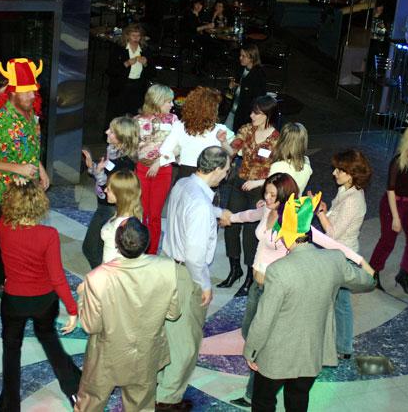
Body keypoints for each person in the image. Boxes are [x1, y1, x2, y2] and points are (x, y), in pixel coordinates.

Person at [224, 173, 368, 408]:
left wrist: (361, 262)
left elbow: (331, 243)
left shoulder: (293, 221)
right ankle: (257, 385)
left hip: (277, 286)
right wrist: (230, 217)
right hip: (256, 287)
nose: (267, 198)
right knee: (253, 335)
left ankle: (256, 390)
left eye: (273, 194)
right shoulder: (266, 209)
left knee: (265, 341)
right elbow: (250, 215)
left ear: (284, 196)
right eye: (266, 192)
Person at [74, 218, 185, 412]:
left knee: (90, 403)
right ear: (147, 242)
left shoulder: (97, 277)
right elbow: (173, 313)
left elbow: (90, 325)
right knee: (141, 406)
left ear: (117, 243)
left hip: (106, 356)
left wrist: (82, 296)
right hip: (146, 353)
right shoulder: (167, 268)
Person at [157, 146, 232, 410]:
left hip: (168, 266)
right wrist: (205, 284)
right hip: (187, 274)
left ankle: (161, 384)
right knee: (186, 343)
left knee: (169, 334)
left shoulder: (183, 184)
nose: (227, 174)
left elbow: (194, 208)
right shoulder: (201, 205)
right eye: (226, 169)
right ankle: (167, 399)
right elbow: (195, 256)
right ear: (216, 170)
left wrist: (218, 212)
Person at [0, 182, 81, 410]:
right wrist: (72, 309)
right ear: (39, 205)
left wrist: (16, 185)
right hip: (44, 301)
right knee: (50, 340)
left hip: (14, 300)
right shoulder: (48, 235)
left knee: (11, 350)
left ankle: (9, 405)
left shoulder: (2, 226)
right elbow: (57, 277)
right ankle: (73, 390)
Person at [0, 58, 49, 293]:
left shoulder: (30, 114)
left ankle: (13, 268)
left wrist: (40, 169)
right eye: (27, 92)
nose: (32, 96)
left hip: (25, 190)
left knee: (18, 237)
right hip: (4, 193)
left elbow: (30, 147)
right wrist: (17, 169)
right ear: (13, 92)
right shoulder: (0, 121)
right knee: (3, 240)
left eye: (33, 91)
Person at [315, 149, 373, 360]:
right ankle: (342, 345)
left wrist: (320, 213)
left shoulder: (353, 200)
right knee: (340, 301)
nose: (334, 173)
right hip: (338, 254)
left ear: (351, 173)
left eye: (339, 170)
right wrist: (325, 211)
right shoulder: (346, 191)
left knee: (339, 302)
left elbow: (333, 233)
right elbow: (335, 218)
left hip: (342, 257)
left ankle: (341, 346)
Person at [222, 95, 280, 296]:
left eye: (256, 113)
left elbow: (278, 171)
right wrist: (223, 142)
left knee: (250, 234)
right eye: (252, 112)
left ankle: (249, 276)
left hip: (260, 190)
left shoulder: (277, 139)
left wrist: (259, 182)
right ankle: (234, 269)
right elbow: (232, 150)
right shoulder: (246, 130)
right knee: (230, 225)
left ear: (267, 115)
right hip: (240, 184)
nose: (251, 116)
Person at [370, 124, 408, 295]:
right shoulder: (398, 161)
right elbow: (390, 190)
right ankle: (372, 272)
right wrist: (395, 217)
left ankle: (404, 274)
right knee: (388, 241)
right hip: (393, 204)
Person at [81, 116, 139, 269]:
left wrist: (98, 172)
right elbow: (107, 175)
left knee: (91, 249)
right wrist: (93, 167)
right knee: (96, 249)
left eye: (112, 131)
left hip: (110, 209)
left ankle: (102, 276)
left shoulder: (125, 163)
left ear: (122, 137)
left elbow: (110, 187)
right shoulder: (113, 152)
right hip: (103, 206)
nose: (106, 132)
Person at [134, 84, 178, 254]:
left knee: (154, 215)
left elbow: (178, 147)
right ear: (157, 101)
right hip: (141, 170)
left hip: (163, 170)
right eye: (168, 101)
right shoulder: (138, 120)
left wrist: (159, 161)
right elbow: (130, 147)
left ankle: (151, 253)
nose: (172, 105)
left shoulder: (173, 120)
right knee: (141, 213)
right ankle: (139, 250)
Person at [156, 86, 234, 181]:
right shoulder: (180, 126)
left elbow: (231, 153)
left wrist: (223, 141)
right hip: (201, 177)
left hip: (197, 176)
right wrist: (176, 155)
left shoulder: (219, 129)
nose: (217, 111)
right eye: (215, 108)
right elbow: (165, 151)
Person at [105, 23, 152, 126]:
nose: (136, 38)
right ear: (127, 36)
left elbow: (152, 73)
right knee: (117, 115)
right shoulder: (119, 49)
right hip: (121, 86)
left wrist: (146, 64)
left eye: (138, 35)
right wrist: (126, 64)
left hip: (138, 87)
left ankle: (132, 134)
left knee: (135, 116)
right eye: (133, 35)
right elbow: (110, 71)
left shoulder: (145, 50)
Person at [100, 169, 143, 263]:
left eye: (109, 189)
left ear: (120, 194)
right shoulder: (133, 210)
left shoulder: (121, 224)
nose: (105, 190)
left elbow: (111, 260)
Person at [224, 44, 267, 132]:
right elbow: (234, 92)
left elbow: (259, 98)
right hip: (234, 110)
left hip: (245, 116)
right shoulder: (241, 69)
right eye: (240, 55)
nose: (240, 58)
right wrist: (231, 88)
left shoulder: (258, 75)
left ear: (252, 58)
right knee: (225, 133)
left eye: (243, 56)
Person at [268, 122, 312, 194]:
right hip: (295, 200)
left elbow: (269, 190)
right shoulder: (306, 163)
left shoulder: (277, 167)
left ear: (282, 140)